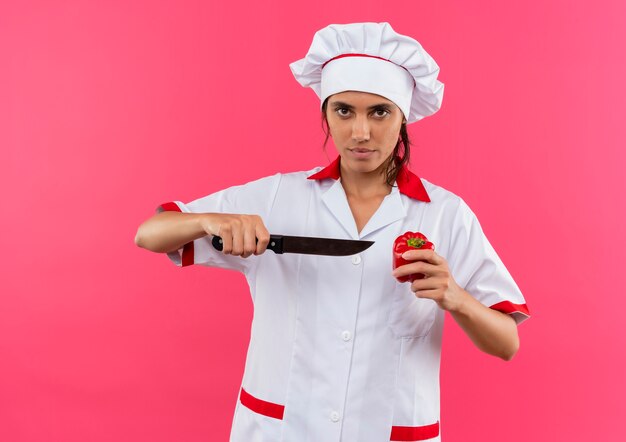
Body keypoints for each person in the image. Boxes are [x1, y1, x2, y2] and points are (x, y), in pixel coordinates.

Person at [134, 22, 530, 442]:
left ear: (403, 118)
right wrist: (206, 221)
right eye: (344, 110)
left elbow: (506, 343)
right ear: (325, 112)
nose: (361, 132)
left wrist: (455, 296)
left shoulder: (447, 215)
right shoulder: (277, 197)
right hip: (280, 430)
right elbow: (149, 234)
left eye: (379, 112)